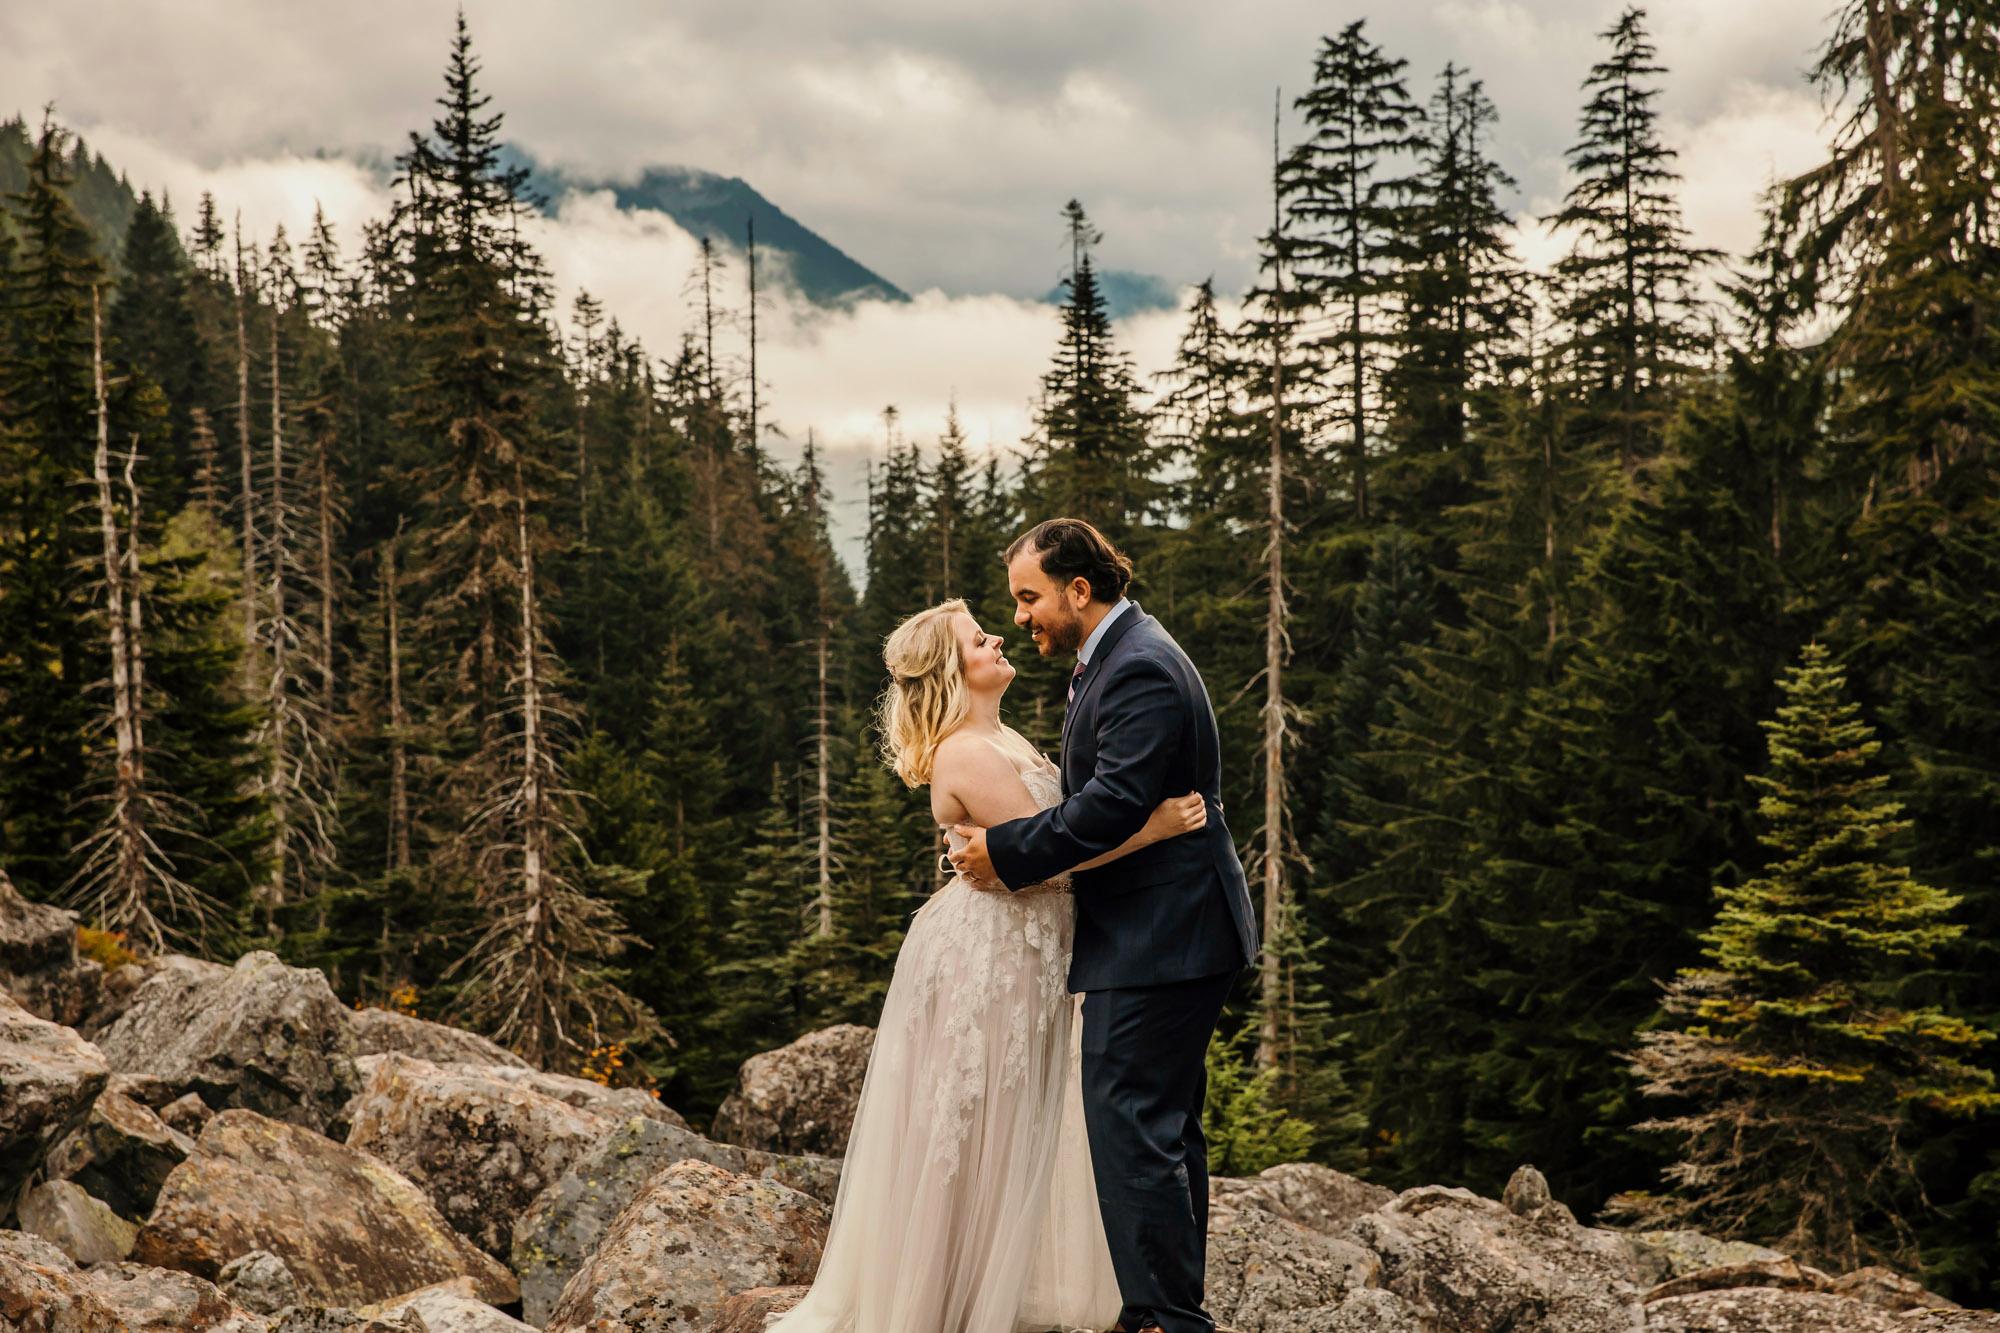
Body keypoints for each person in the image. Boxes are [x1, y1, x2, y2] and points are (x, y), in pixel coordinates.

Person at [768, 594, 1209, 1333]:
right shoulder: (967, 751)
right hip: (994, 948)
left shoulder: (1000, 735)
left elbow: (1055, 833)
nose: (998, 635)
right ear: (953, 669)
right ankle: (942, 1302)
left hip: (1029, 942)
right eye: (979, 636)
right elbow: (1051, 860)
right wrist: (1155, 826)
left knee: (1014, 1116)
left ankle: (993, 1287)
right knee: (974, 1127)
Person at [951, 518, 1260, 1333]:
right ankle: (1166, 1310)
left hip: (1164, 932)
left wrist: (1002, 850)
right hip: (1163, 927)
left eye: (1029, 597)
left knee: (1131, 1119)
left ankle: (1162, 1319)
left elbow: (1113, 805)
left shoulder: (1140, 669)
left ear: (1078, 589)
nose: (1020, 616)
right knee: (1158, 1124)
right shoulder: (1115, 657)